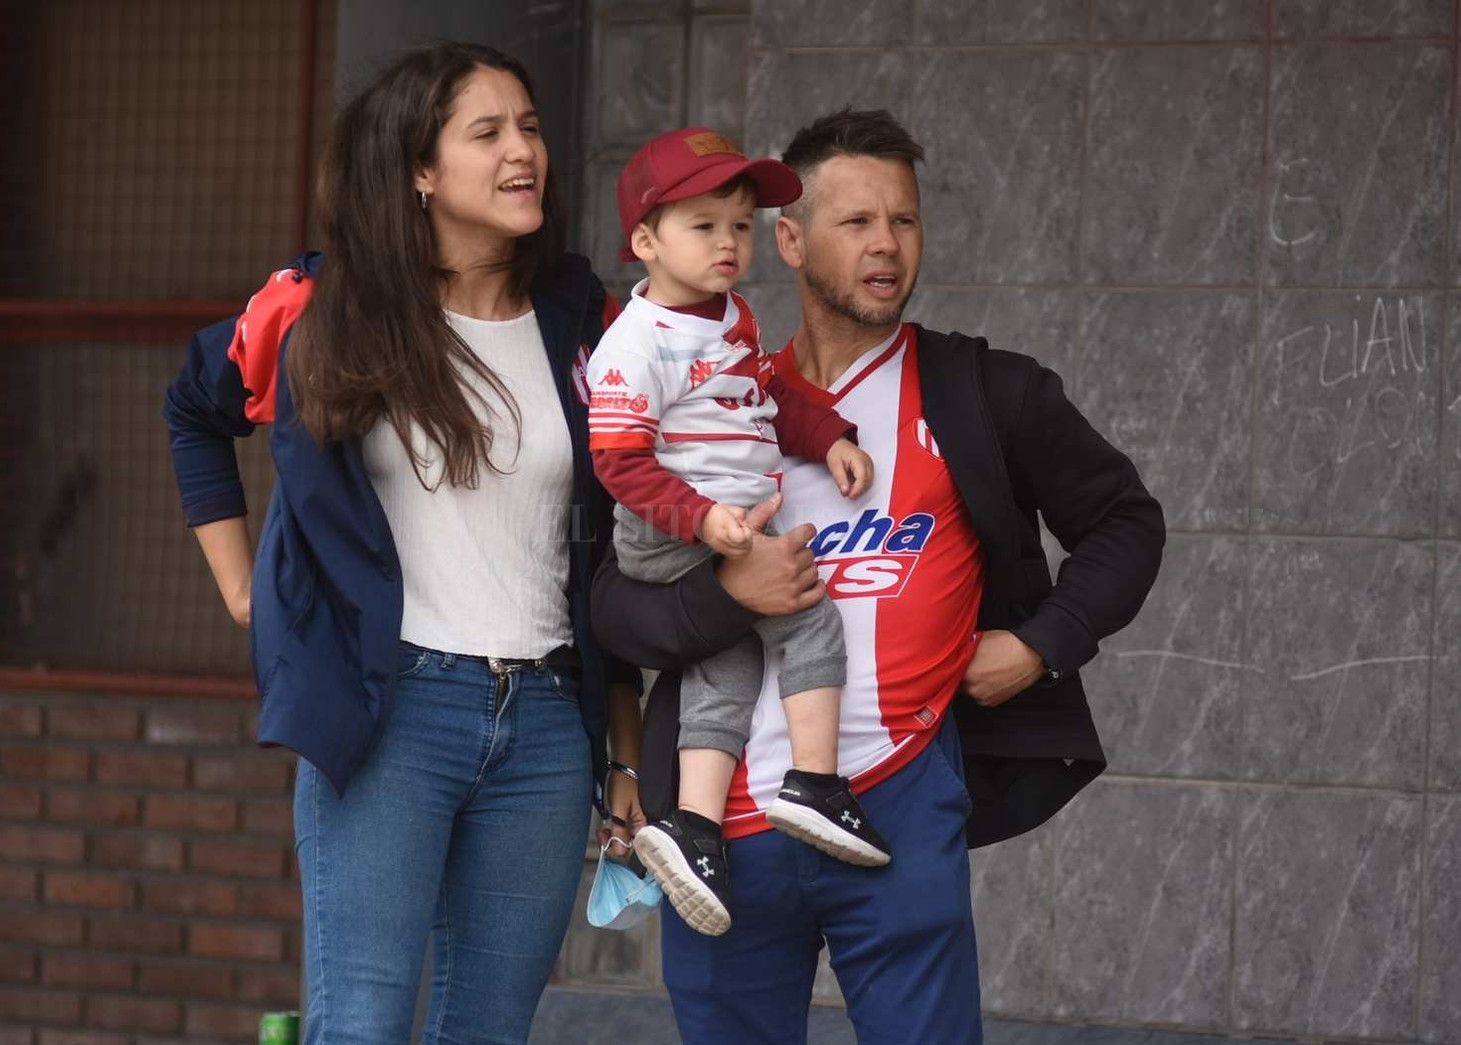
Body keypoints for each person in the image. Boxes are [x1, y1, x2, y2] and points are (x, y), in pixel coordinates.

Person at [591, 108, 1165, 1044]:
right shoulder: (717, 399)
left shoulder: (982, 392)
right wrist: (727, 595)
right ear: (787, 238)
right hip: (718, 829)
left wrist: (1036, 644)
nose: (885, 246)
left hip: (891, 807)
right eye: (854, 221)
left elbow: (1126, 523)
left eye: (902, 221)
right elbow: (613, 609)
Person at [162, 43, 643, 1044]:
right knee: (364, 1023)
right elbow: (192, 407)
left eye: (530, 128)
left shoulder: (582, 318)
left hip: (549, 725)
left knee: (487, 1030)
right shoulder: (319, 308)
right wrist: (242, 588)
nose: (523, 152)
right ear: (420, 169)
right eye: (487, 133)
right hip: (393, 713)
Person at [586, 127, 887, 938]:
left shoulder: (732, 318)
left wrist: (828, 435)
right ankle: (815, 784)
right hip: (673, 533)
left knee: (730, 657)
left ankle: (693, 826)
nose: (728, 242)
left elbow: (766, 403)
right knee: (808, 615)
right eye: (702, 224)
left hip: (715, 527)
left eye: (741, 225)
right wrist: (704, 520)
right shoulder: (635, 343)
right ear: (645, 240)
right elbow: (617, 461)